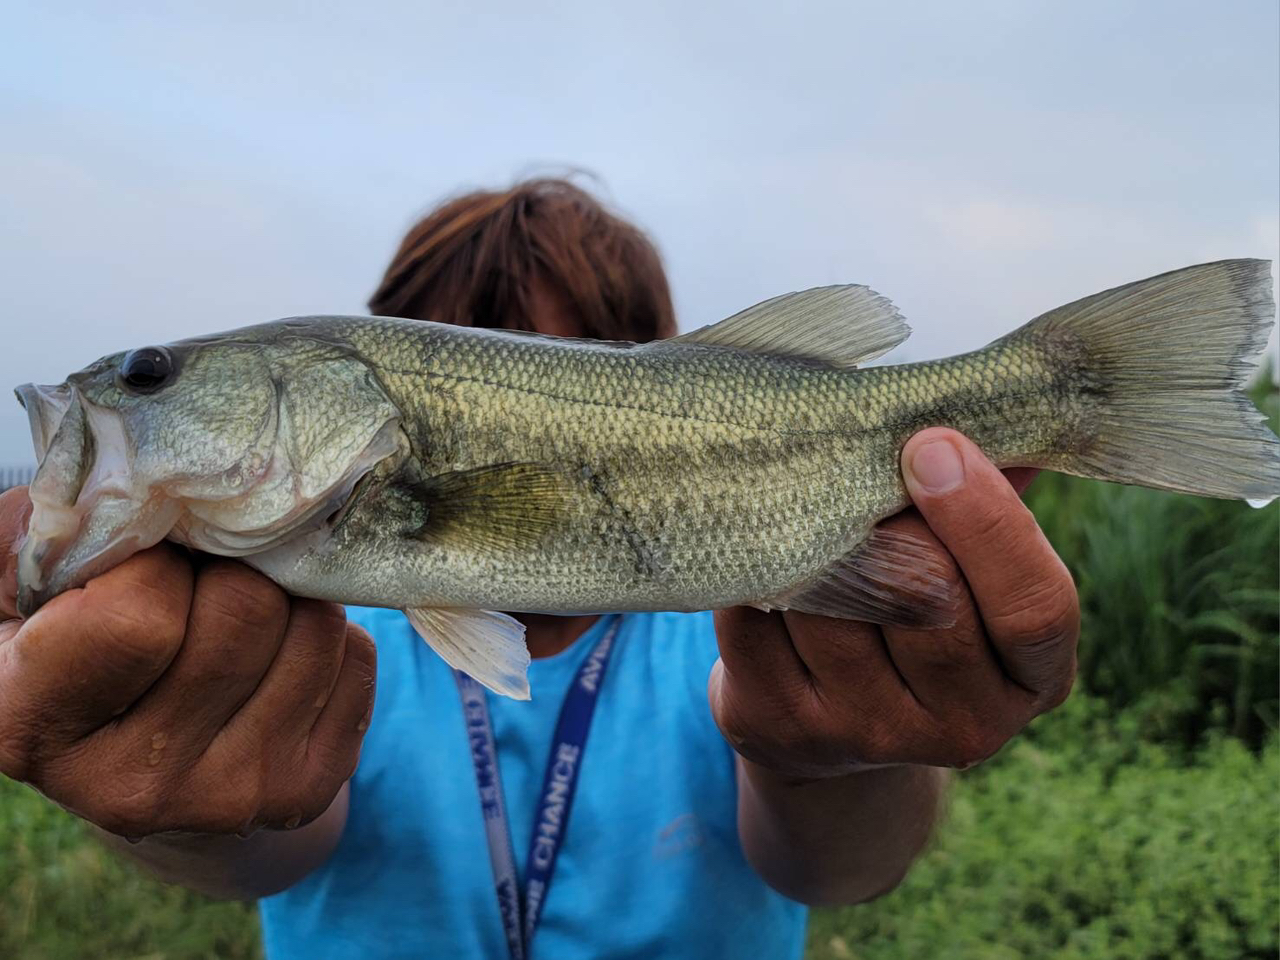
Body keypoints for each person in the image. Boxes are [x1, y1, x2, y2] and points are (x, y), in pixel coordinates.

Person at [0, 179, 1079, 959]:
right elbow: (268, 853)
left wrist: (840, 760)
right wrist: (173, 790)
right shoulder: (319, 621)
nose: (511, 376)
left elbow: (835, 875)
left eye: (150, 379)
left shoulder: (737, 624)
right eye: (463, 347)